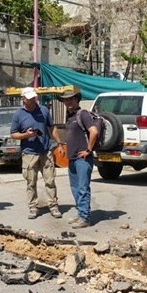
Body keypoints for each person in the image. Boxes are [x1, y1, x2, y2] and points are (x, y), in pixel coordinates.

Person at [10, 87, 62, 220]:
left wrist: (59, 143)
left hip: (45, 151)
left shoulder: (44, 110)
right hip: (29, 153)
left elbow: (52, 127)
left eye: (34, 97)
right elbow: (13, 134)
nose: (33, 100)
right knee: (30, 182)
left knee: (50, 180)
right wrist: (25, 135)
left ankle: (53, 206)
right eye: (30, 98)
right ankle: (33, 207)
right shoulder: (18, 114)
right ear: (23, 100)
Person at [59, 89, 98, 229]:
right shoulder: (70, 116)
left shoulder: (83, 114)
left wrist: (88, 150)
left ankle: (85, 217)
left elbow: (94, 131)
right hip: (72, 158)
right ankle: (80, 213)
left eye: (71, 99)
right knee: (75, 188)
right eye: (66, 99)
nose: (68, 102)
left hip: (83, 159)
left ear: (77, 100)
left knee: (83, 188)